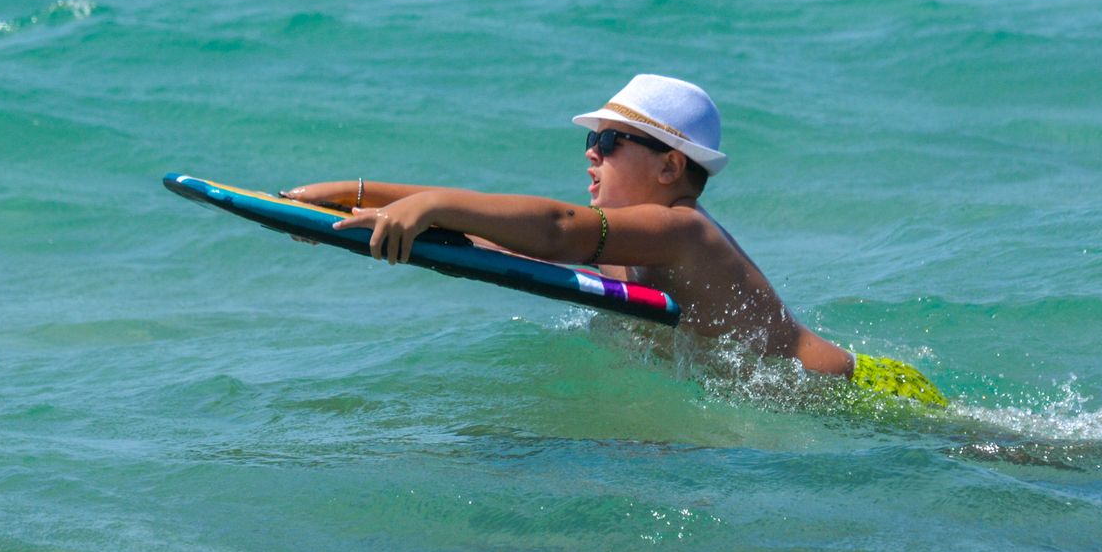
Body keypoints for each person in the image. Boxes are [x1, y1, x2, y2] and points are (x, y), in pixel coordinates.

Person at [281, 74, 946, 406]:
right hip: (808, 404)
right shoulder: (634, 245)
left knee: (1019, 454)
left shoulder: (682, 230)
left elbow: (557, 230)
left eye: (608, 141)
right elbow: (491, 248)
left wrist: (424, 201)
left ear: (670, 166)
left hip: (872, 398)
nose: (591, 155)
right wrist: (356, 201)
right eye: (589, 141)